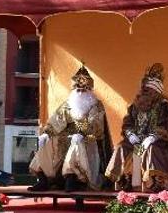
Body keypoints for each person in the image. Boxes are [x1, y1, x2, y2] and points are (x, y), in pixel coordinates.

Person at [104, 63, 168, 192]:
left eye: (148, 91)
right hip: (136, 142)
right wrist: (130, 135)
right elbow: (128, 123)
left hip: (159, 144)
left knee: (151, 149)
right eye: (143, 90)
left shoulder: (163, 107)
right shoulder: (134, 106)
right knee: (121, 147)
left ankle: (154, 183)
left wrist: (152, 137)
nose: (144, 92)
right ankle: (125, 180)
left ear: (156, 92)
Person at [27, 64, 112, 193]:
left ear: (90, 91)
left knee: (76, 142)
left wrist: (81, 132)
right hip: (66, 137)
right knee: (49, 141)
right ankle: (43, 178)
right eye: (78, 90)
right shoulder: (68, 104)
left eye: (84, 90)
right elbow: (56, 120)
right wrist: (47, 133)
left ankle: (72, 178)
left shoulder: (96, 105)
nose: (80, 93)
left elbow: (96, 127)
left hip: (89, 138)